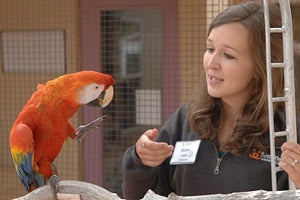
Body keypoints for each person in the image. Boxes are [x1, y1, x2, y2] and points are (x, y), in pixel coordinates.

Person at [122, 1, 300, 199]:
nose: (212, 63)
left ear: (260, 67)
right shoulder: (186, 119)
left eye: (228, 55)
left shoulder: (287, 134)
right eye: (210, 48)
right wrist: (141, 160)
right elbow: (138, 195)